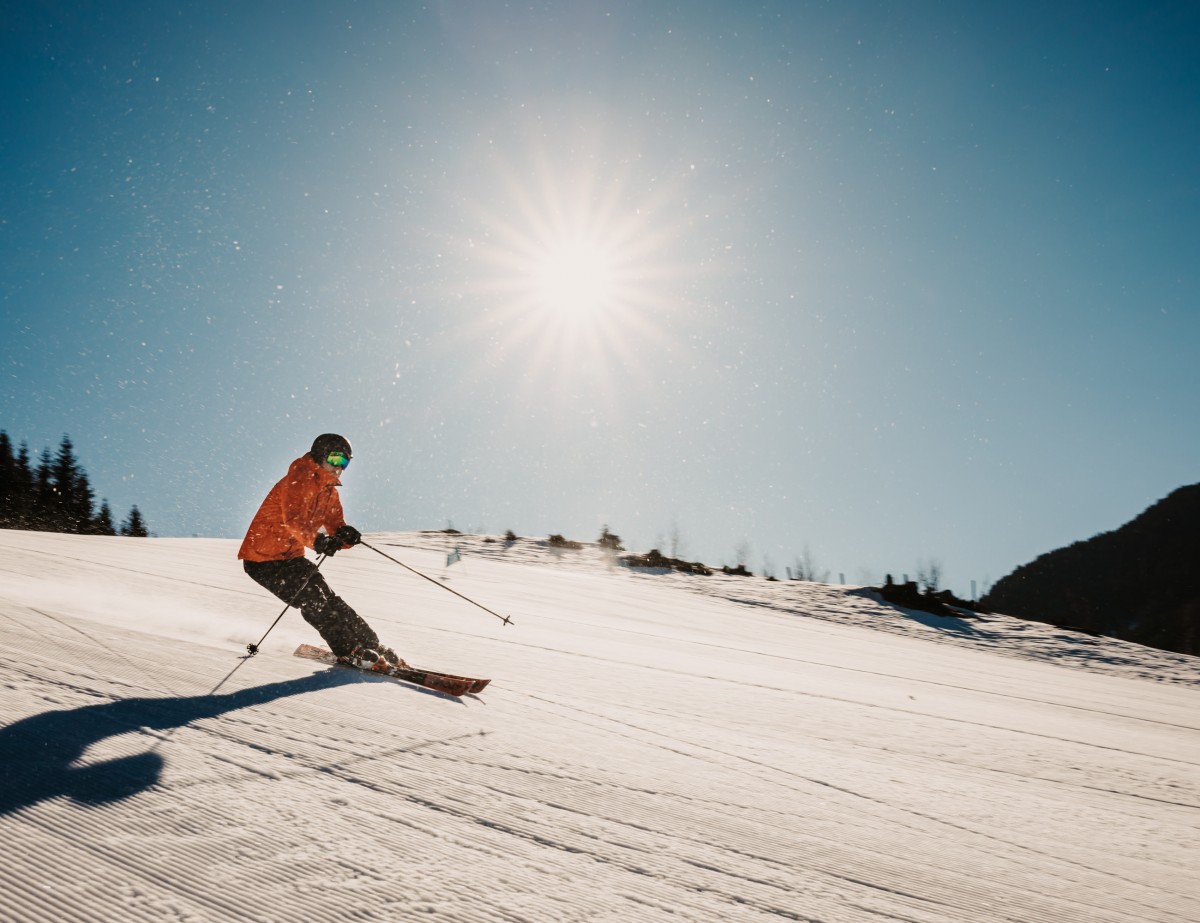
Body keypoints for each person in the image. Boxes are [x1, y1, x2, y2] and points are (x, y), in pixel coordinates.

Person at [238, 433, 402, 668]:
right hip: (262, 559)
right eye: (335, 459)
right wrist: (318, 542)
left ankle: (372, 644)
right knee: (313, 600)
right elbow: (293, 522)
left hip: (292, 557)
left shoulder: (329, 493)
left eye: (345, 463)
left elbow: (336, 526)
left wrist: (346, 535)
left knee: (329, 598)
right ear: (320, 456)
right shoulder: (299, 480)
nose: (339, 467)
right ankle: (348, 650)